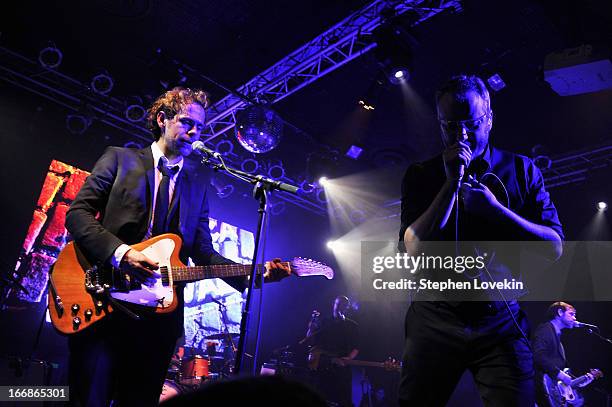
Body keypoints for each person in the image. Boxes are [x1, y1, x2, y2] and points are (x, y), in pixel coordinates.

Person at [65, 87, 286, 406]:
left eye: (201, 126)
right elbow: (78, 213)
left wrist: (253, 274)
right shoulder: (120, 159)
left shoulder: (197, 185)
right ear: (161, 119)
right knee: (86, 398)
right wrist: (123, 253)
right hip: (104, 301)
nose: (195, 131)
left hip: (158, 319)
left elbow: (204, 251)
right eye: (186, 122)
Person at [398, 75, 564, 406]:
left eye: (471, 124)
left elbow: (554, 247)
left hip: (500, 318)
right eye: (449, 125)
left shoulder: (521, 170)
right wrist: (451, 184)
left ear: (489, 118)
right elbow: (412, 248)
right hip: (435, 317)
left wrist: (495, 210)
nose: (460, 135)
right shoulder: (421, 174)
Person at [532, 302, 594, 406]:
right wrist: (559, 374)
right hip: (540, 387)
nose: (574, 318)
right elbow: (538, 355)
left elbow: (561, 373)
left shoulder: (557, 336)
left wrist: (578, 382)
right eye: (571, 314)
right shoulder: (545, 329)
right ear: (560, 312)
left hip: (551, 390)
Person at [306, 295, 359, 406]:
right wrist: (311, 325)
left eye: (343, 305)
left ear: (347, 307)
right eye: (337, 304)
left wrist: (349, 358)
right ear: (334, 305)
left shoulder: (352, 325)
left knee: (343, 399)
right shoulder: (325, 322)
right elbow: (311, 341)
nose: (339, 307)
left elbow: (357, 347)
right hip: (324, 366)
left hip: (342, 367)